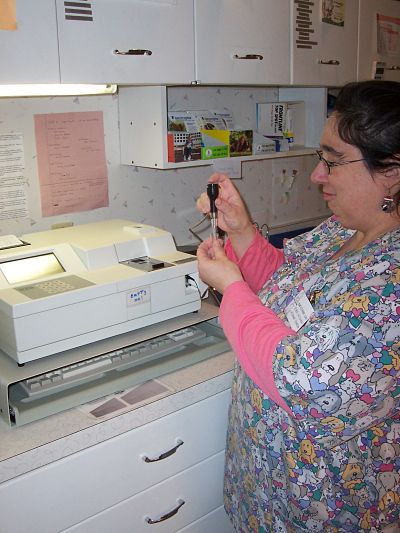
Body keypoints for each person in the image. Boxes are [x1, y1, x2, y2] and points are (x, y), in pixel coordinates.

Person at [196, 80, 400, 532]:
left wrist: (232, 291)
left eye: (332, 160)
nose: (317, 175)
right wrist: (243, 232)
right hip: (268, 484)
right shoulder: (343, 227)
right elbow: (291, 285)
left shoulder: (393, 282)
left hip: (326, 504)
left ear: (392, 171)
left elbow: (305, 381)